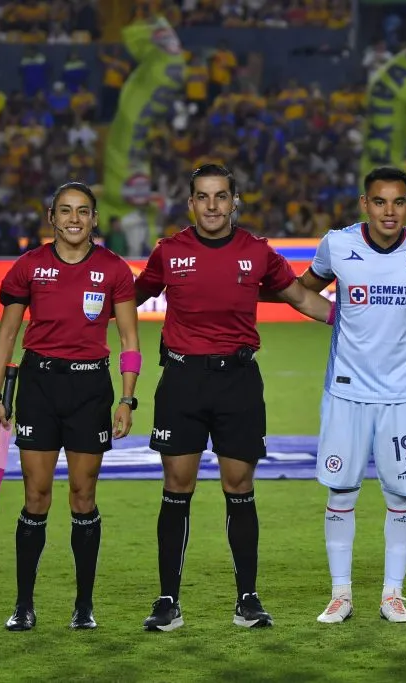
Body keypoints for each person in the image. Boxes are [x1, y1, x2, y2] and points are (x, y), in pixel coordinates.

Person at [134, 164, 332, 632]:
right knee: (176, 487)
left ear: (234, 201)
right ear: (190, 203)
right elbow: (129, 298)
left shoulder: (257, 252)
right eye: (202, 197)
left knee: (239, 487)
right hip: (182, 381)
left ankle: (247, 599)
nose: (212, 206)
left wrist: (357, 319)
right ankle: (167, 601)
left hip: (238, 382)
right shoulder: (169, 251)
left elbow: (302, 299)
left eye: (220, 196)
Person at [290, 167, 406, 625]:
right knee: (342, 488)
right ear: (364, 203)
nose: (388, 211)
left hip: (401, 395)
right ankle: (341, 594)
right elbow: (300, 292)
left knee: (400, 492)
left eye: (397, 202)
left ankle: (393, 595)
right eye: (380, 202)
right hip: (346, 393)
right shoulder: (338, 245)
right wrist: (340, 314)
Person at [0, 182, 141, 631]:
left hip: (90, 388)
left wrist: (127, 397)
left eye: (83, 211)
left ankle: (83, 606)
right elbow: (7, 336)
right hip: (39, 387)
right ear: (51, 217)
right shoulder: (29, 267)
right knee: (35, 497)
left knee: (83, 496)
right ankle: (23, 605)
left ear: (95, 218)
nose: (74, 219)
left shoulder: (114, 269)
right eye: (65, 211)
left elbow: (130, 340)